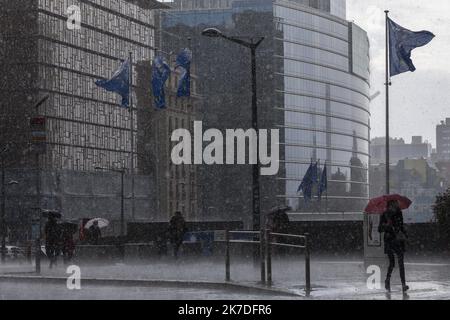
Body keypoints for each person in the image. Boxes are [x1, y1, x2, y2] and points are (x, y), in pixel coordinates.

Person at [378, 200, 409, 293]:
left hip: (398, 240)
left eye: (396, 204)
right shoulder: (385, 215)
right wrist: (387, 225)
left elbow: (401, 226)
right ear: (390, 205)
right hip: (389, 240)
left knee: (401, 262)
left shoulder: (399, 213)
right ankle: (387, 280)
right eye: (394, 204)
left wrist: (405, 235)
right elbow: (379, 229)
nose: (396, 205)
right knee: (392, 263)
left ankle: (403, 284)